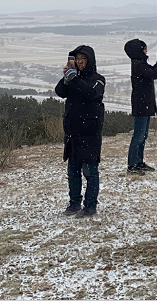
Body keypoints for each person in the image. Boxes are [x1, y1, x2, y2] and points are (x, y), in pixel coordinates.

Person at [54, 45, 106, 218]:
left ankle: (90, 206)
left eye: (83, 59)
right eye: (77, 59)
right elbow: (60, 92)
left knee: (90, 171)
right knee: (73, 172)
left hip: (90, 133)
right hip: (73, 132)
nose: (80, 62)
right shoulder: (73, 78)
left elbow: (91, 93)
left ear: (89, 60)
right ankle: (74, 203)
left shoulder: (98, 79)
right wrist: (66, 78)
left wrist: (74, 79)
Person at [124, 38, 157, 175]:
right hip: (142, 104)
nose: (146, 51)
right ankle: (132, 165)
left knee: (143, 136)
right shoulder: (139, 65)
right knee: (138, 136)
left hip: (144, 104)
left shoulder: (139, 63)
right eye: (144, 48)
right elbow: (155, 73)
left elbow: (153, 73)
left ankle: (139, 162)